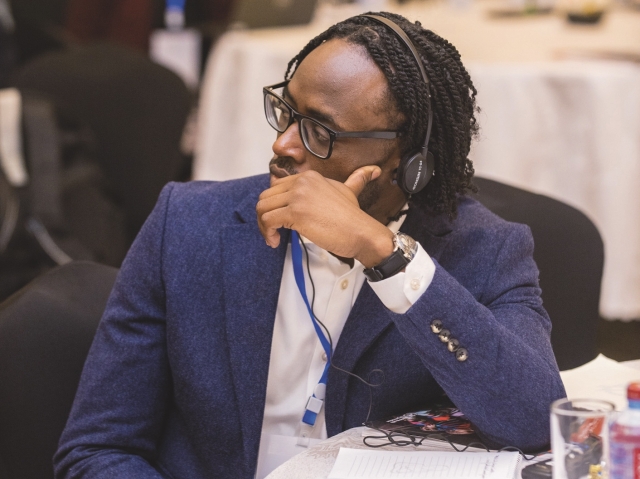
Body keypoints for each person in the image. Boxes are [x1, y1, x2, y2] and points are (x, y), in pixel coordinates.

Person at [54, 12, 566, 479]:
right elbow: (96, 449)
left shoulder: (486, 252)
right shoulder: (187, 226)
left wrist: (383, 252)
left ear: (406, 160)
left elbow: (533, 423)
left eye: (320, 131)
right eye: (286, 111)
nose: (284, 144)